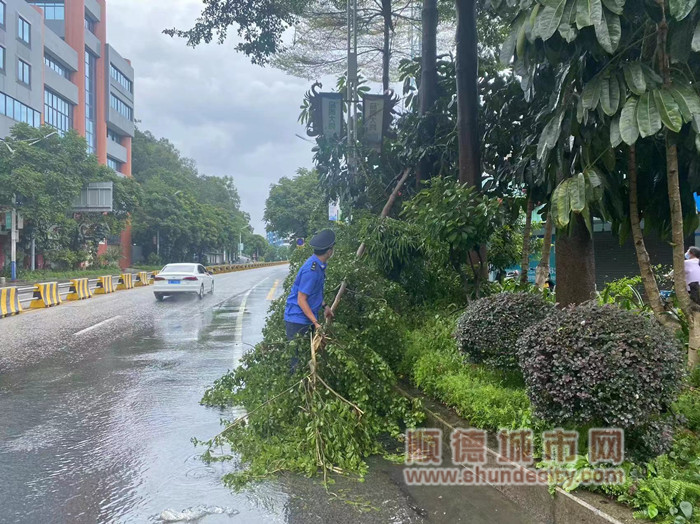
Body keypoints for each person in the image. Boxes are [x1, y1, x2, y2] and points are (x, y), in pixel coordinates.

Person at [284, 229, 336, 342]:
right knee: (298, 359)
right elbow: (301, 300)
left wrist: (325, 306)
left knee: (310, 355)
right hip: (297, 321)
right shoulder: (311, 271)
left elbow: (314, 292)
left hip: (307, 319)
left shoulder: (319, 265)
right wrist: (316, 324)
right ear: (329, 251)